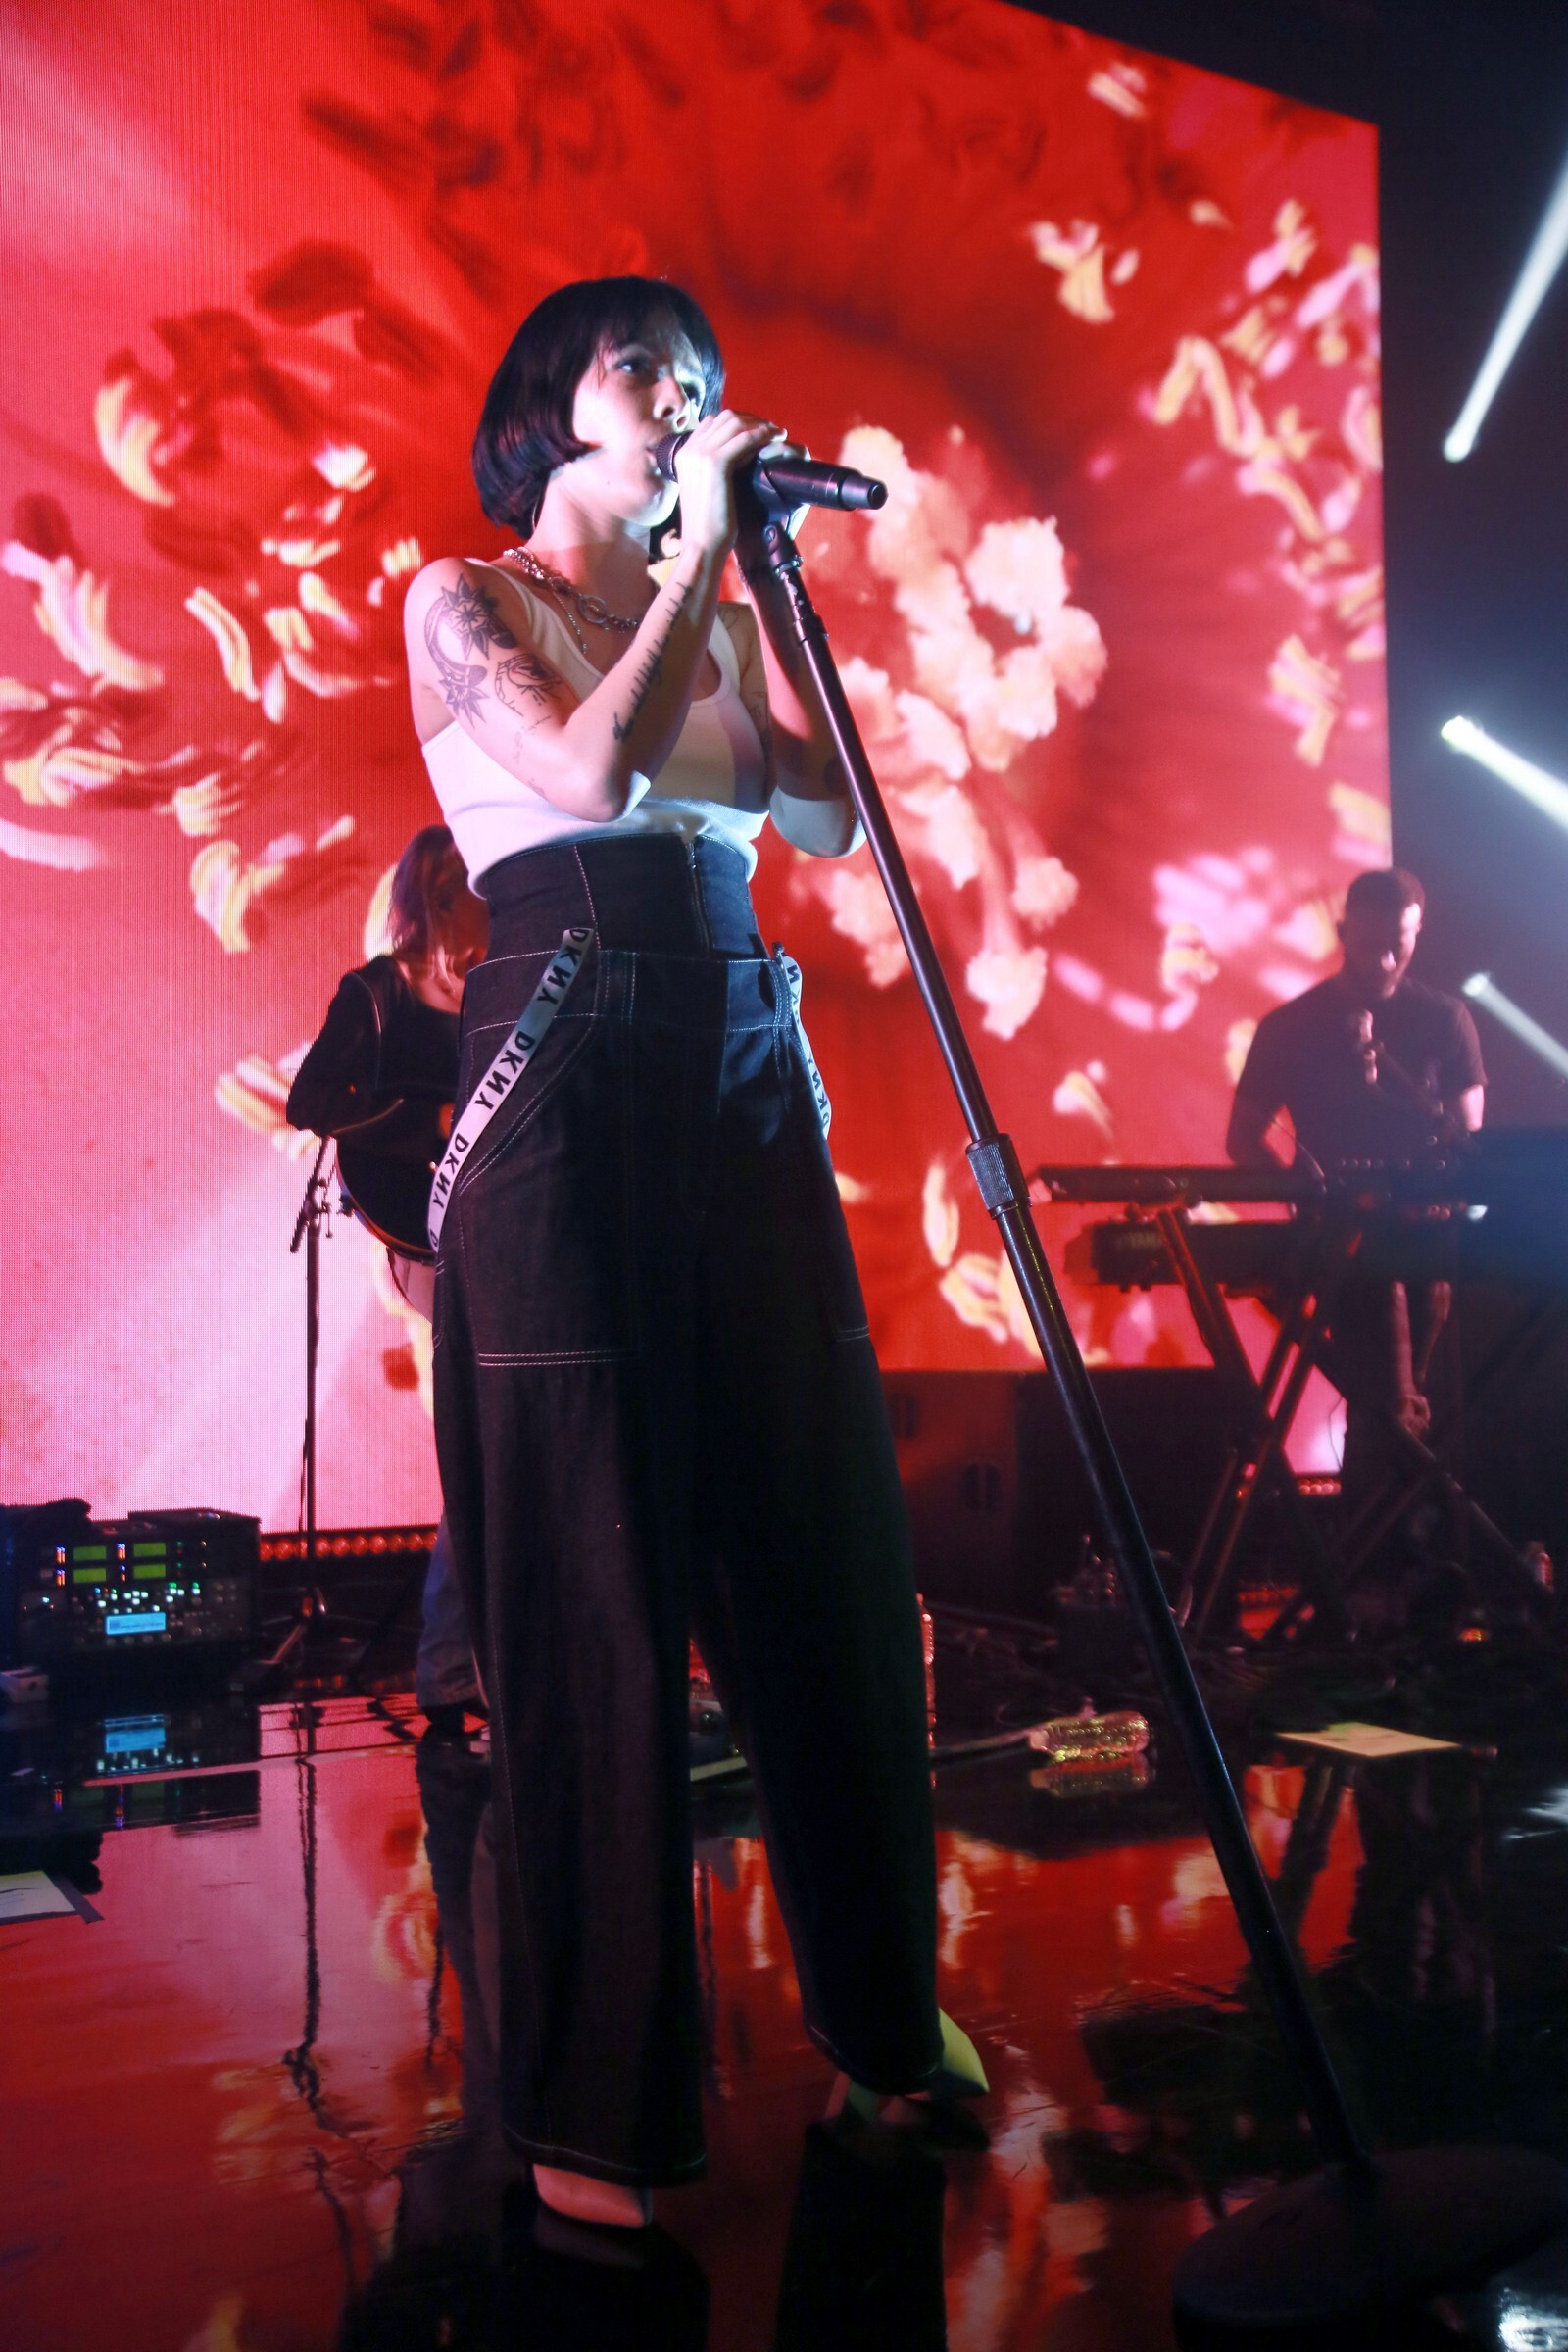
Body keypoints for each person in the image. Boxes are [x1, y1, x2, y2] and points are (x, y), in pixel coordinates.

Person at [401, 275, 982, 2230]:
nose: (684, 401)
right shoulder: (462, 598)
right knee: (592, 1580)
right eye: (648, 369)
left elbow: (820, 817)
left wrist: (763, 592)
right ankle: (594, 2112)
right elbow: (584, 779)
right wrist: (701, 568)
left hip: (735, 1041)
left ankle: (883, 2021)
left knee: (823, 1533)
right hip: (567, 1034)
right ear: (552, 406)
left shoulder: (720, 609)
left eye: (705, 381)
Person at [287, 823, 489, 1727]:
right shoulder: (375, 993)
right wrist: (426, 1121)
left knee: (492, 1452)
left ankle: (461, 1663)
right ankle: (449, 1663)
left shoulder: (497, 990)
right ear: (432, 894)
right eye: (462, 884)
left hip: (493, 1228)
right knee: (482, 1451)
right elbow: (310, 1101)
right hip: (418, 1240)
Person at [1226, 865, 1486, 1535]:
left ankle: (1378, 1555)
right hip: (1339, 1236)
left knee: (1388, 1403)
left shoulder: (1444, 1019)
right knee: (1394, 1397)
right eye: (1371, 944)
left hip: (1423, 1238)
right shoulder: (1292, 1025)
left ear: (1418, 933)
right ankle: (1405, 1551)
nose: (1386, 960)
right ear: (1343, 932)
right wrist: (1303, 1191)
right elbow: (1242, 1138)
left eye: (1400, 944)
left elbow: (1469, 1138)